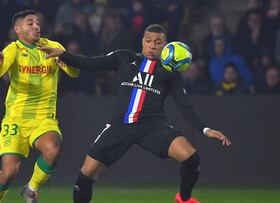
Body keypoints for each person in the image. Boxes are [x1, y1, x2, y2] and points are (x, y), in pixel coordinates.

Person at [40, 24, 231, 203]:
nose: (152, 46)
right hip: (119, 126)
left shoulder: (170, 72)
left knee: (191, 157)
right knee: (87, 173)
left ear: (165, 46)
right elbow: (91, 63)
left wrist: (206, 129)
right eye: (148, 40)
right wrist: (64, 55)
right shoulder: (124, 57)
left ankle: (184, 198)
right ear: (142, 41)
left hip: (152, 127)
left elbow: (184, 106)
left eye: (158, 42)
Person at [0, 10, 79, 203]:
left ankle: (31, 189)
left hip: (43, 117)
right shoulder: (13, 49)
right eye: (30, 23)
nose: (36, 26)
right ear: (18, 29)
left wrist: (66, 61)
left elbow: (74, 73)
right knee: (9, 173)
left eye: (37, 23)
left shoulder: (52, 46)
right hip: (16, 118)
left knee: (52, 149)